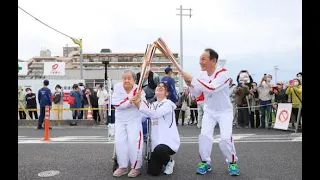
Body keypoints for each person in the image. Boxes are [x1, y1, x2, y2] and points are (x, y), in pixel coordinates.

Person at [180, 48, 240, 176]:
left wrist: (193, 79)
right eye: (200, 59)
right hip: (209, 111)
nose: (200, 62)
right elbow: (197, 93)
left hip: (224, 112)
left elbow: (211, 88)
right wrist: (189, 83)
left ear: (213, 61)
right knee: (204, 137)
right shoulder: (202, 75)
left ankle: (232, 162)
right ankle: (205, 162)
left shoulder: (223, 73)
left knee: (225, 139)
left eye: (203, 59)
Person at [132, 82, 180, 176]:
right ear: (155, 91)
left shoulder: (168, 104)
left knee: (160, 149)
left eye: (163, 87)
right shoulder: (151, 105)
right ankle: (162, 160)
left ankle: (169, 161)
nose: (160, 87)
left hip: (168, 143)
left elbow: (155, 114)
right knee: (153, 172)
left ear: (166, 93)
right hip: (155, 145)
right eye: (158, 86)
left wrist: (139, 106)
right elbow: (143, 116)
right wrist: (137, 101)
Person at [112, 70, 146, 178]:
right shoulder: (117, 87)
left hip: (134, 119)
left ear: (134, 80)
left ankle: (136, 167)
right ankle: (122, 166)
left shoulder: (139, 90)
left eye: (129, 78)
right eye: (124, 78)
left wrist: (137, 101)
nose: (126, 80)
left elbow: (144, 106)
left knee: (133, 142)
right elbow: (116, 103)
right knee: (120, 141)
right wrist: (129, 101)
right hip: (120, 120)